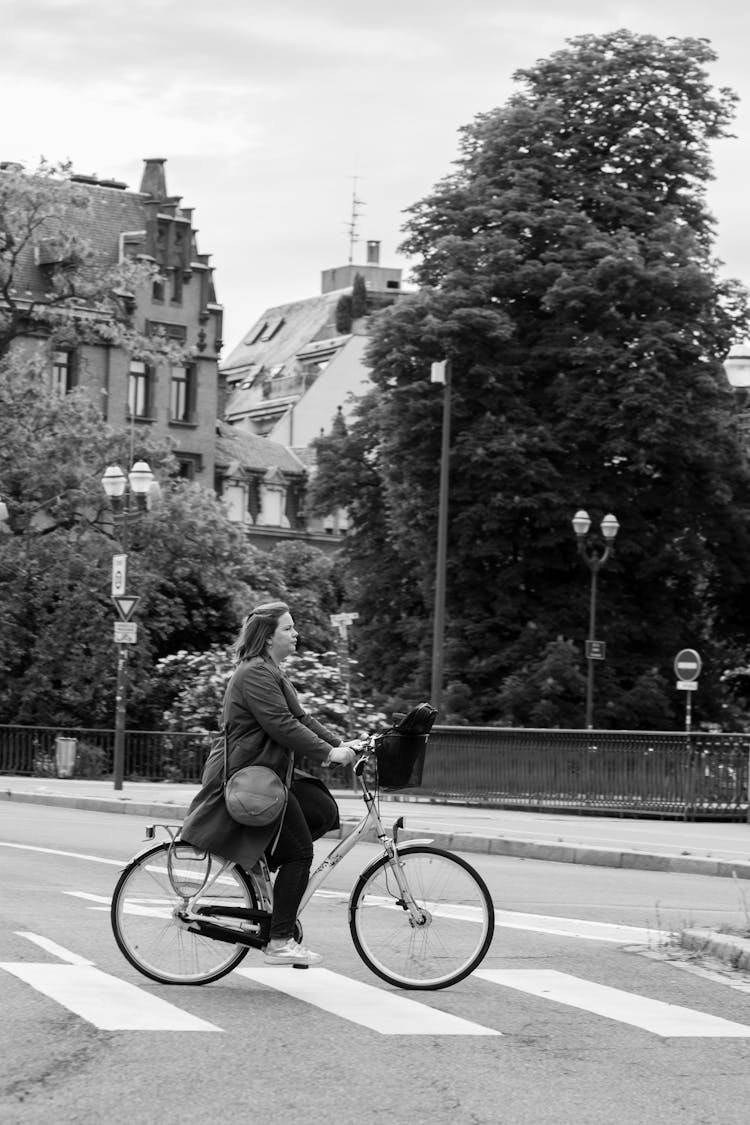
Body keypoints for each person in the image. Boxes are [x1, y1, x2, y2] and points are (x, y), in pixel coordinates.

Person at [180, 601, 358, 967]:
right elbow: (282, 726)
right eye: (289, 629)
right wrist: (329, 754)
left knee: (322, 811)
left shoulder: (271, 671)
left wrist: (341, 745)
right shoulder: (256, 674)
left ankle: (261, 869)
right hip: (249, 776)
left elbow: (300, 718)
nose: (296, 635)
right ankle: (279, 939)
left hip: (268, 773)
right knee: (300, 853)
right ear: (267, 637)